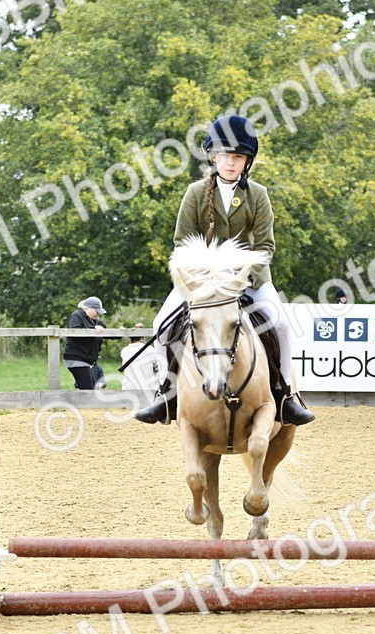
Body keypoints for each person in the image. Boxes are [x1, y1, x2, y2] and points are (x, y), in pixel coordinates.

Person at [134, 114, 314, 426]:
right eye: (225, 156)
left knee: (282, 325)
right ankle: (166, 393)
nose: (230, 163)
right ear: (214, 157)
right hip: (200, 281)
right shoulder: (195, 192)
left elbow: (265, 245)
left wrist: (242, 278)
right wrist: (202, 280)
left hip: (249, 279)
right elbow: (181, 242)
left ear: (247, 162)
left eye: (238, 157)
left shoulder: (258, 194)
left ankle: (285, 395)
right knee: (161, 323)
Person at [64, 296, 107, 390]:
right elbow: (74, 332)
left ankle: (81, 404)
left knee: (91, 389)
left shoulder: (93, 319)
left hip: (87, 360)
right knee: (88, 390)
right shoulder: (76, 315)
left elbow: (106, 331)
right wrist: (93, 329)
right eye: (97, 311)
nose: (98, 314)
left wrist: (121, 332)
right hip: (77, 358)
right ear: (90, 309)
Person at [120, 323, 160, 392]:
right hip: (148, 389)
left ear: (130, 338)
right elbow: (157, 368)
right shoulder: (150, 350)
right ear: (142, 337)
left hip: (129, 389)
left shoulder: (124, 351)